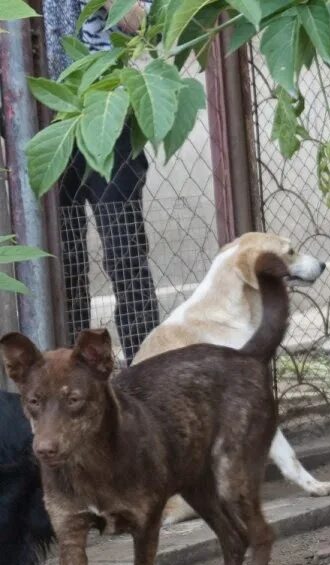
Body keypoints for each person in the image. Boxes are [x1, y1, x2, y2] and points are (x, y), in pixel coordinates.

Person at [43, 0, 159, 364]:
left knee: (125, 252)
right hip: (41, 116)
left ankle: (145, 372)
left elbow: (142, 24)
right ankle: (70, 379)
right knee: (61, 262)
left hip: (106, 107)